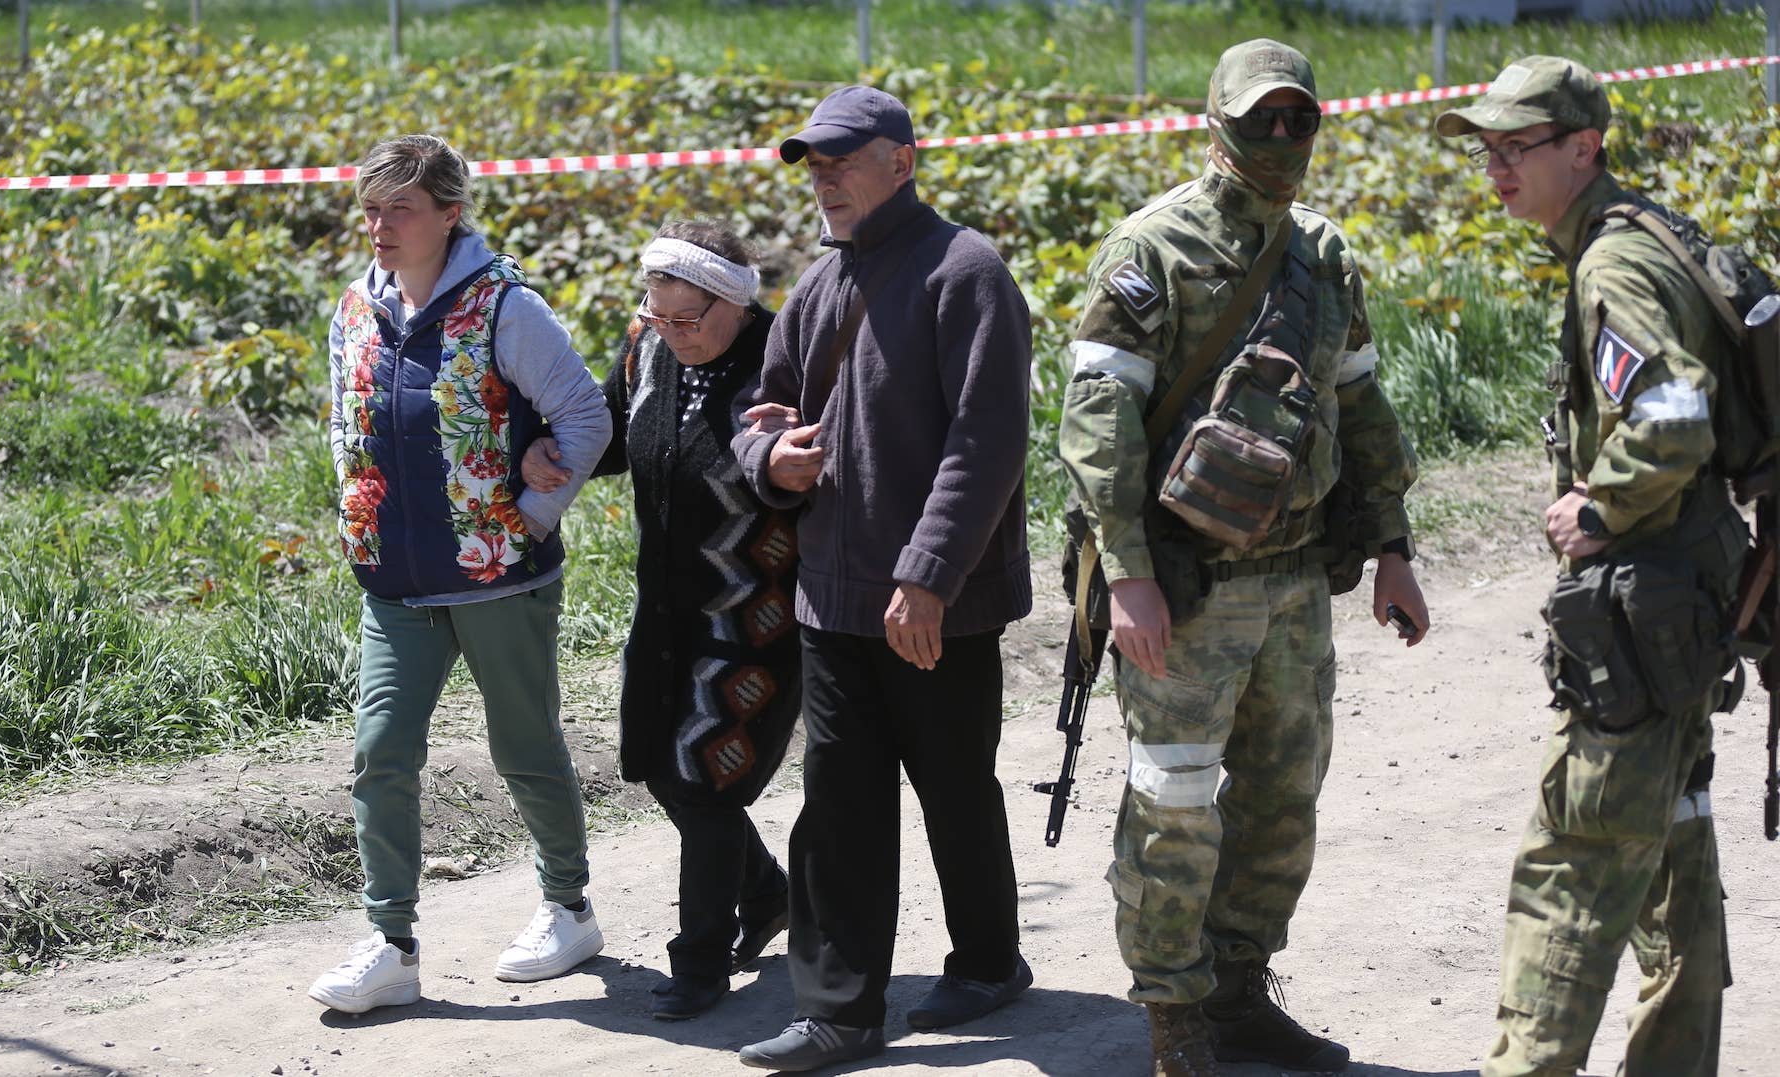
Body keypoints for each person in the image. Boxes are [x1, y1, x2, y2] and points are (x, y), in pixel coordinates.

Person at [1059, 39, 1428, 1077]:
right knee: (1175, 808)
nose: (1279, 138)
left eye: (1297, 119)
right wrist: (1127, 575)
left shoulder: (1324, 255)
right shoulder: (1150, 253)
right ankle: (1175, 1022)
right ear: (1211, 123)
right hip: (1185, 590)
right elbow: (1098, 427)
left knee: (1280, 803)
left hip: (1297, 581)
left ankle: (1235, 989)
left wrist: (1392, 546)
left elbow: (1362, 404)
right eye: (1259, 118)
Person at [1435, 56, 1745, 1077]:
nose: (1495, 167)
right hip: (1689, 603)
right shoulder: (1643, 233)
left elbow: (1674, 415)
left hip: (1642, 614)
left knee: (1572, 864)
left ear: (1583, 147)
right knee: (1676, 845)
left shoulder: (1613, 265)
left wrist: (1598, 505)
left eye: (1516, 147)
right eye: (1487, 148)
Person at [726, 85, 1036, 1072]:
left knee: (955, 787)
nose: (822, 177)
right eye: (812, 162)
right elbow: (763, 407)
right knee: (841, 803)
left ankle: (988, 962)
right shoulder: (820, 286)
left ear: (900, 162)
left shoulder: (965, 273)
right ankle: (840, 1012)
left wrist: (930, 574)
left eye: (841, 159)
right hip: (831, 595)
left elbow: (987, 443)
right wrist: (769, 460)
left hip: (935, 605)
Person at [306, 134, 612, 1015]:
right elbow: (344, 421)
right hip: (395, 582)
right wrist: (357, 509)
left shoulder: (503, 307)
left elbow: (585, 414)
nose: (378, 226)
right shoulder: (354, 309)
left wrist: (532, 513)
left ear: (450, 213)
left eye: (399, 208)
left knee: (525, 749)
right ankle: (391, 943)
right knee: (380, 753)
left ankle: (569, 907)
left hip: (497, 577)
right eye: (369, 208)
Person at [520, 219, 801, 1022]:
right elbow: (613, 431)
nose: (674, 334)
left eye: (692, 320)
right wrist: (548, 448)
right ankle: (770, 892)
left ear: (737, 307)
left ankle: (701, 961)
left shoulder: (782, 360)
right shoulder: (651, 351)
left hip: (757, 617)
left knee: (705, 783)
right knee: (656, 766)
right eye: (660, 314)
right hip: (667, 610)